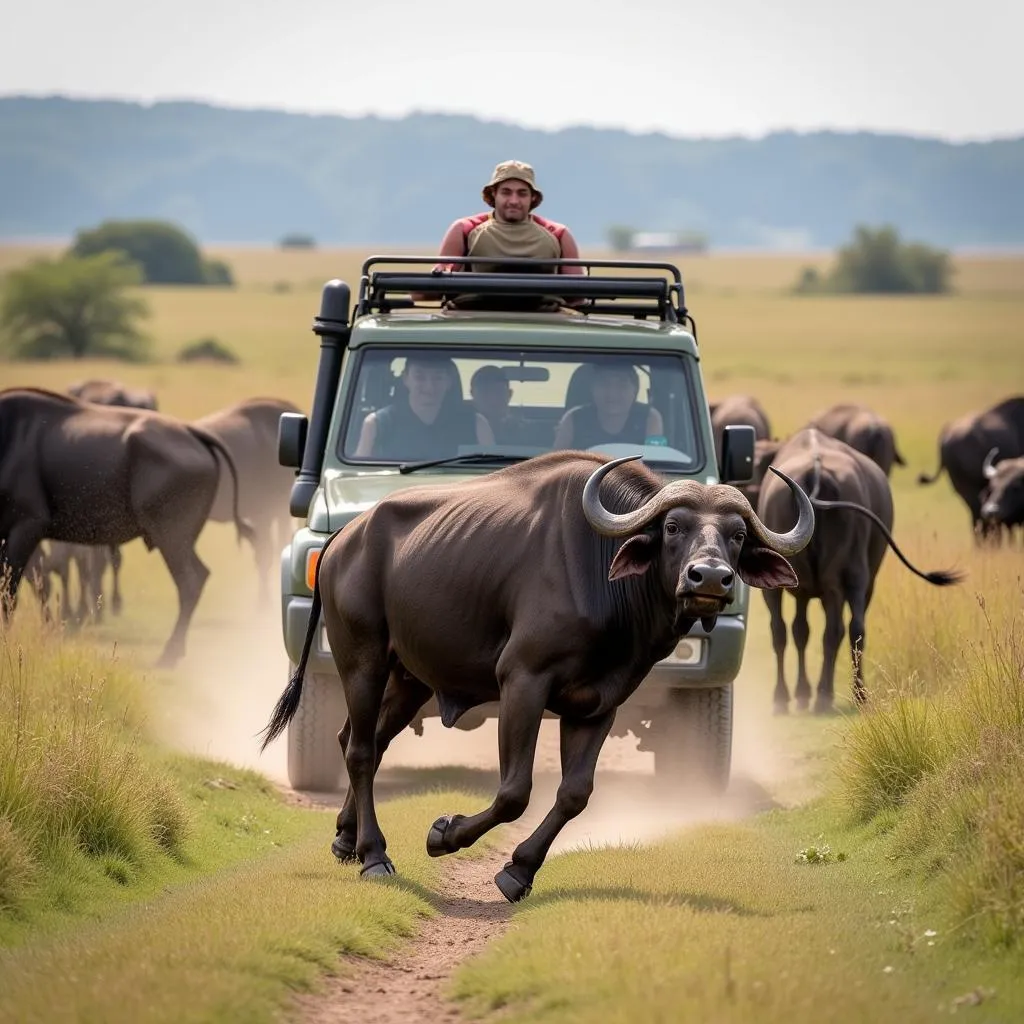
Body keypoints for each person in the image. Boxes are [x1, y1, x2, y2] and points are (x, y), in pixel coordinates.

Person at [434, 160, 586, 277]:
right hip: (471, 312)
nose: (514, 201)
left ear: (533, 197)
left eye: (522, 193)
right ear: (494, 193)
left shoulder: (558, 234)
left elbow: (576, 295)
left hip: (545, 313)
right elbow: (432, 289)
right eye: (506, 192)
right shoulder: (465, 229)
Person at [354, 353, 494, 460]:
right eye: (420, 377)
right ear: (405, 379)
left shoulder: (475, 423)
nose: (429, 387)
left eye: (438, 378)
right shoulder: (377, 423)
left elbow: (494, 476)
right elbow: (357, 478)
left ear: (449, 382)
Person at [553, 360, 664, 450]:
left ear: (634, 390)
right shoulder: (573, 418)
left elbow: (657, 462)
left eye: (622, 385)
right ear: (592, 389)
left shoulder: (650, 418)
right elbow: (556, 463)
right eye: (604, 384)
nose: (612, 393)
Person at [470, 365, 525, 445]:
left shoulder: (526, 433)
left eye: (498, 392)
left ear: (509, 394)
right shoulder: (460, 431)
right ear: (472, 394)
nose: (492, 399)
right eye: (485, 391)